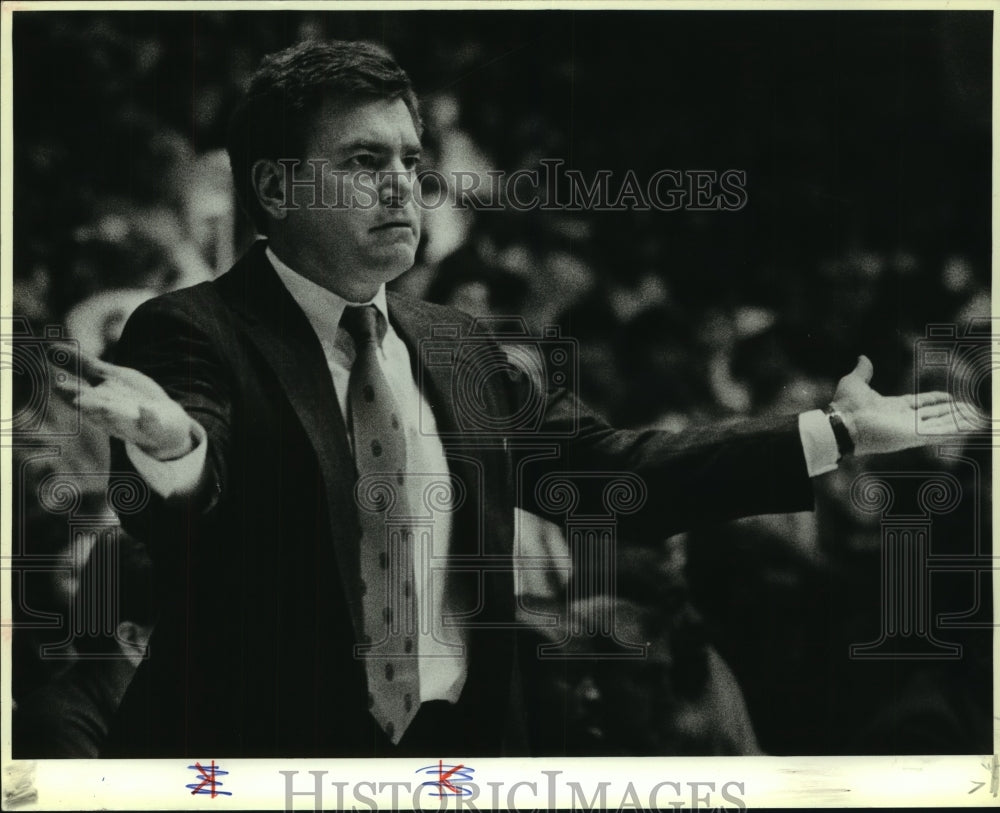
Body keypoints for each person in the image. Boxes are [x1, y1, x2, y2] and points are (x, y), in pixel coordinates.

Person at [59, 39, 969, 758]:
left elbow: (616, 475)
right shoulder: (192, 330)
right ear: (274, 186)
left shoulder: (456, 344)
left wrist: (833, 432)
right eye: (365, 158)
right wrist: (174, 446)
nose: (402, 185)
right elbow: (189, 495)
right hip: (269, 763)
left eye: (411, 159)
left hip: (463, 755)